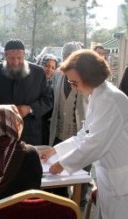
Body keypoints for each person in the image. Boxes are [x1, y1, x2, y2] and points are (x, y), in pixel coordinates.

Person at [41, 49, 128, 219]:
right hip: (117, 169)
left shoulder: (110, 100)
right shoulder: (98, 95)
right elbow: (86, 133)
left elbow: (94, 144)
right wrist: (56, 150)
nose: (72, 86)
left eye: (74, 82)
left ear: (90, 78)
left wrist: (62, 164)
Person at [0, 39, 53, 145]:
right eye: (11, 58)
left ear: (24, 55)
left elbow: (48, 99)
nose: (15, 62)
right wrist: (6, 112)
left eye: (19, 58)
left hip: (30, 135)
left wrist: (29, 109)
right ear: (5, 56)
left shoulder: (38, 72)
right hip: (1, 134)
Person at [47, 41, 88, 199]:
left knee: (82, 166)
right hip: (59, 130)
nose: (67, 60)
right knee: (58, 166)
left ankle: (80, 198)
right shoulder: (58, 74)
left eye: (71, 57)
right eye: (64, 57)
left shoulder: (86, 77)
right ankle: (60, 197)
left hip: (80, 129)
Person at [37, 54, 58, 145]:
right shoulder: (33, 81)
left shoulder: (55, 84)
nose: (49, 69)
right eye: (46, 66)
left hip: (47, 123)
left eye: (53, 68)